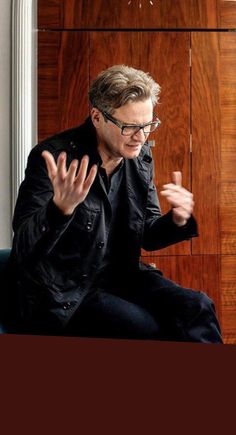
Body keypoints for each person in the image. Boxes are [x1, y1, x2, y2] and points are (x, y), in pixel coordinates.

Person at [8, 64, 223, 342]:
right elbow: (24, 245)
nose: (141, 136)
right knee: (145, 328)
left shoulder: (140, 156)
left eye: (148, 125)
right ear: (97, 117)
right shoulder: (52, 157)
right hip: (64, 288)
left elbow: (147, 233)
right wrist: (59, 210)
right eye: (130, 126)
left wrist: (177, 220)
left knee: (197, 307)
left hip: (123, 278)